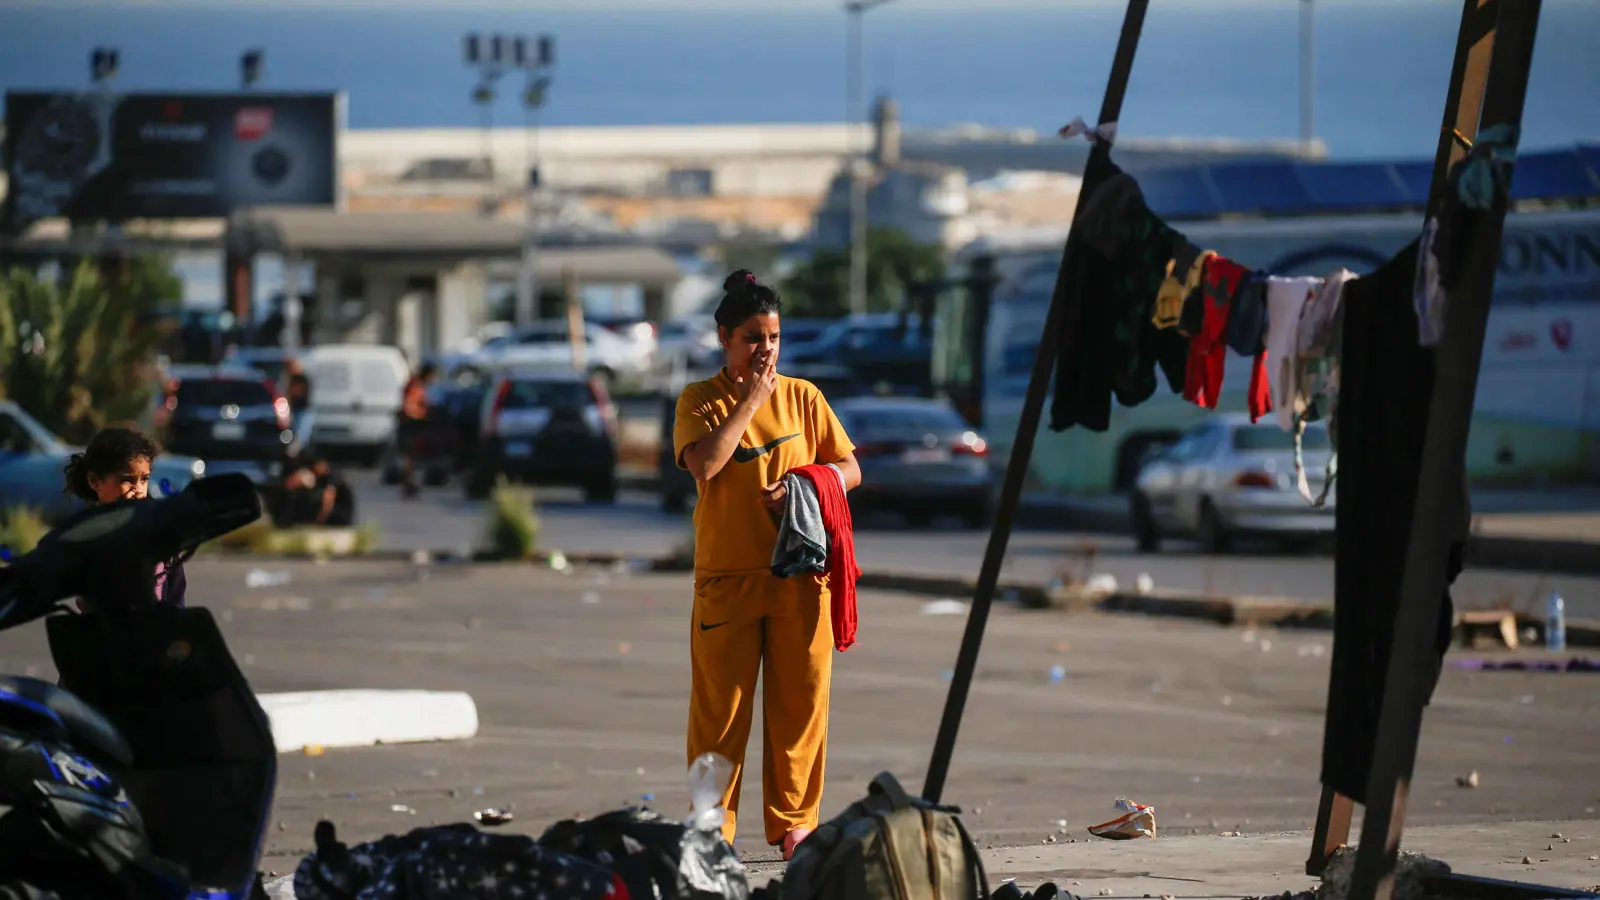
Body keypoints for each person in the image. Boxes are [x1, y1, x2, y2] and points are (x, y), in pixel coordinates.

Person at [673, 270, 862, 860]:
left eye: (774, 336)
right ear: (724, 338)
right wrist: (751, 398)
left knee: (800, 708)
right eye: (753, 337)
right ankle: (711, 830)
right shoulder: (699, 401)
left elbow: (850, 469)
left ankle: (794, 826)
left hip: (802, 578)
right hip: (728, 582)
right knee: (719, 716)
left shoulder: (805, 398)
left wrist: (809, 483)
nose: (766, 349)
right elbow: (706, 465)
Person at [62, 427, 186, 609]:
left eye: (144, 479)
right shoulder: (86, 533)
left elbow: (176, 594)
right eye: (126, 480)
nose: (138, 490)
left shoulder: (159, 530)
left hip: (156, 633)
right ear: (95, 482)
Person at [397, 362, 439, 498]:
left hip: (411, 423)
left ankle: (409, 484)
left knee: (411, 457)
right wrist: (422, 414)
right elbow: (409, 407)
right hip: (411, 424)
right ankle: (408, 484)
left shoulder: (416, 384)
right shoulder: (416, 386)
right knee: (409, 456)